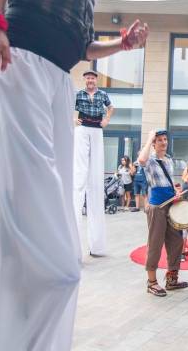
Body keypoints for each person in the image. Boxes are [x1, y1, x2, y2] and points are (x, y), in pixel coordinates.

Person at [0, 0, 147, 348]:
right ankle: (44, 259)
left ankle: (52, 266)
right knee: (32, 167)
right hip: (23, 60)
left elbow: (85, 47)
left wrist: (122, 45)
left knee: (53, 168)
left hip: (57, 76)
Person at [138, 129, 188, 297]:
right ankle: (151, 282)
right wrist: (149, 137)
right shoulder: (150, 159)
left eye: (165, 139)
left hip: (171, 204)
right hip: (157, 207)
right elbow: (141, 160)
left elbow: (168, 181)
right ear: (153, 143)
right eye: (159, 140)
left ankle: (172, 279)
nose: (163, 142)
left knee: (176, 242)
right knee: (155, 244)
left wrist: (176, 191)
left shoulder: (168, 160)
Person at [73, 70, 114, 256]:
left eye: (92, 78)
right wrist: (74, 119)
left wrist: (106, 119)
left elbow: (111, 107)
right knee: (80, 170)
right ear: (85, 79)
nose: (90, 80)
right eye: (87, 78)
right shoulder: (79, 94)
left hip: (97, 127)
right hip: (83, 127)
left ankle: (96, 245)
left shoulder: (102, 94)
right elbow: (69, 107)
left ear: (96, 80)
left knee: (95, 171)